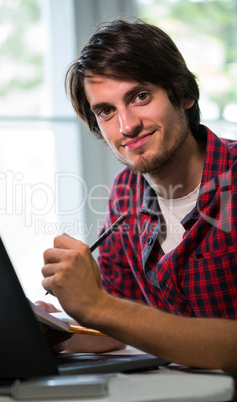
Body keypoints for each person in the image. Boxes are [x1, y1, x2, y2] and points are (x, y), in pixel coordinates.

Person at [39, 19, 237, 373]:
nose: (127, 126)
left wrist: (98, 305)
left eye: (140, 97)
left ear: (184, 94)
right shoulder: (125, 193)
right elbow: (121, 324)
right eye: (106, 111)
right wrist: (58, 331)